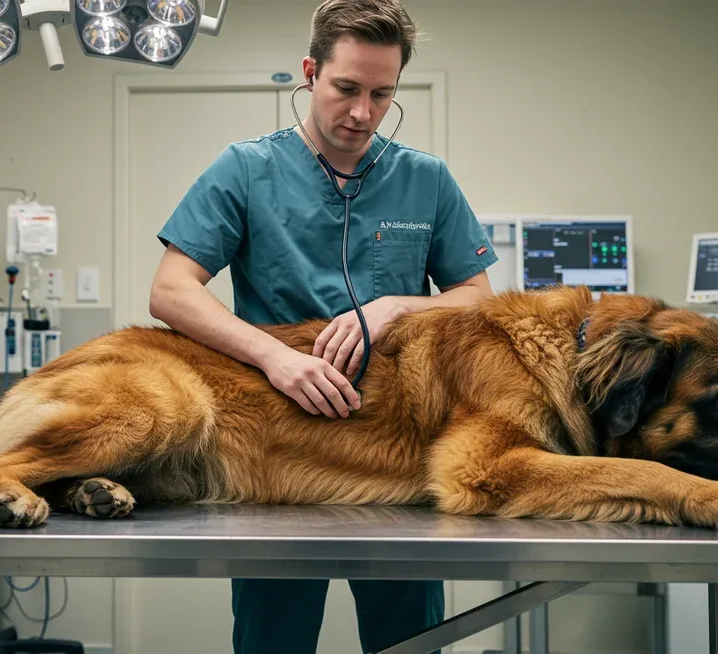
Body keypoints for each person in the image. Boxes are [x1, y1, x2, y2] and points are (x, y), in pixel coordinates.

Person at [148, 1, 498, 651]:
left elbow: (477, 299)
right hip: (278, 443)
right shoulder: (246, 169)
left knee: (410, 636)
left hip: (398, 448)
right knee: (273, 636)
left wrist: (396, 306)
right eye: (346, 89)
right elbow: (170, 290)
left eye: (382, 94)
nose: (363, 113)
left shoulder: (425, 179)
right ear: (310, 73)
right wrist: (273, 357)